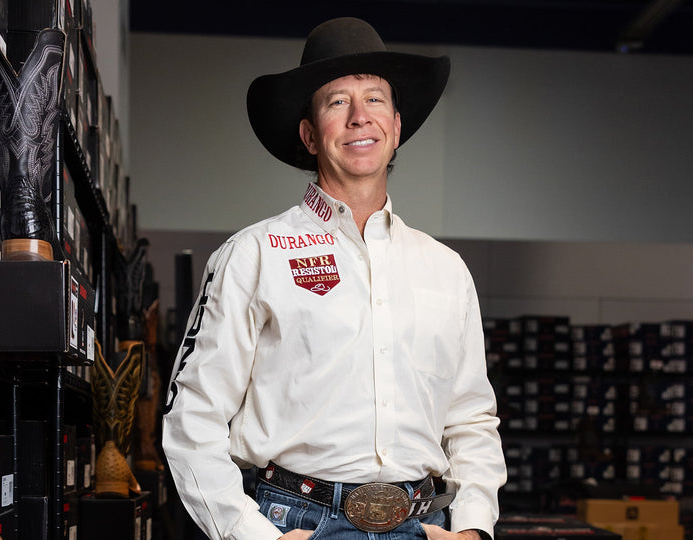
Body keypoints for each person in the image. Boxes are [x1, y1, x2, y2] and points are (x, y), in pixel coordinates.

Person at [162, 16, 506, 540]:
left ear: (396, 126)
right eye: (337, 101)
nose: (359, 117)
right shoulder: (253, 255)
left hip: (424, 524)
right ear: (309, 135)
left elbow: (472, 421)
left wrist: (475, 528)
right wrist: (250, 535)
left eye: (374, 99)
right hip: (299, 522)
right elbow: (192, 416)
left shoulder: (446, 269)